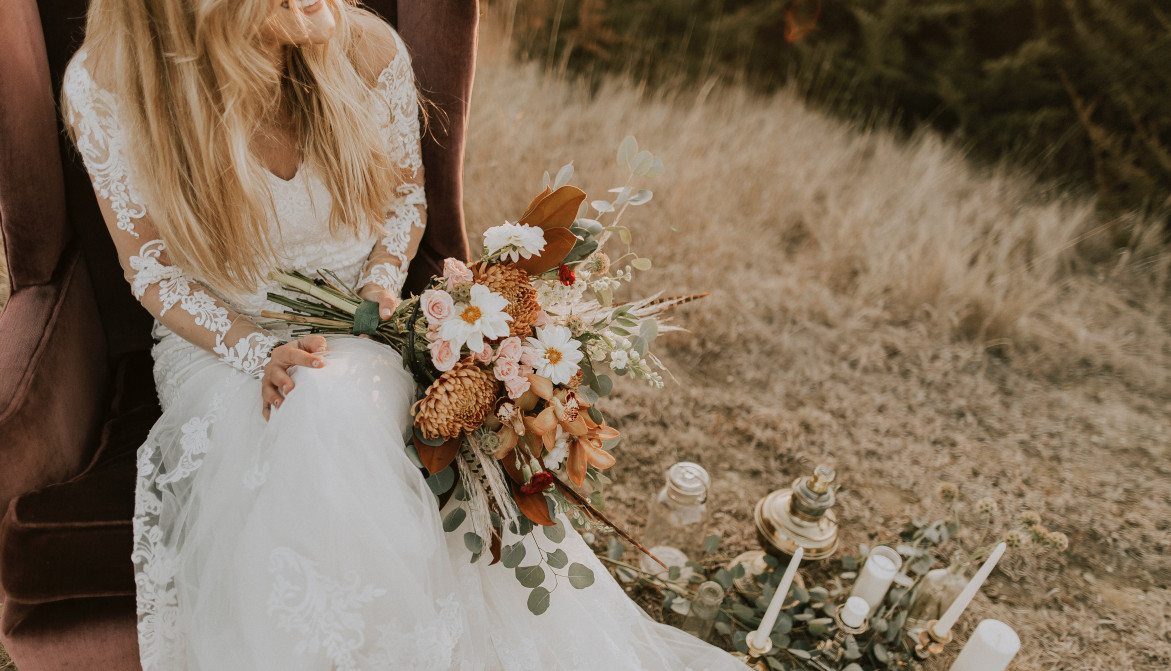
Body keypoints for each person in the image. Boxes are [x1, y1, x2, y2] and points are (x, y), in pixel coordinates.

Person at [62, 0, 749, 668]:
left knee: (330, 403)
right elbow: (152, 268)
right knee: (309, 415)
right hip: (223, 343)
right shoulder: (112, 84)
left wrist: (377, 293)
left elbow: (402, 204)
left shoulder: (365, 49)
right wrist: (255, 349)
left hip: (363, 326)